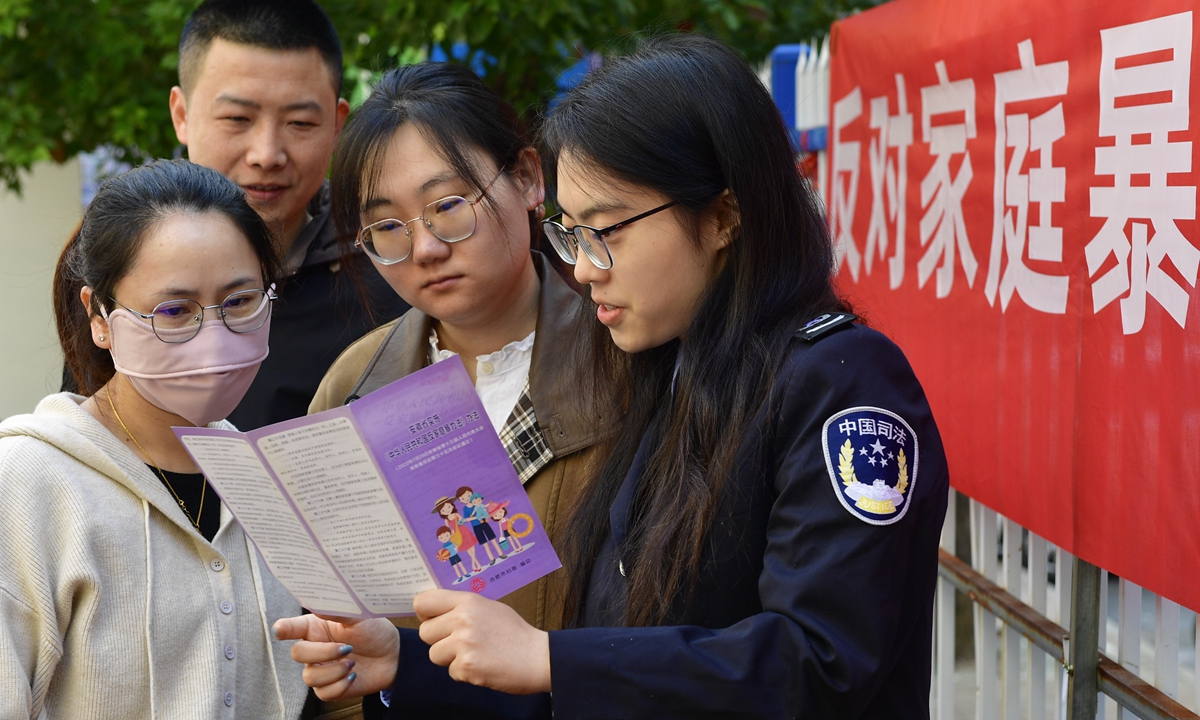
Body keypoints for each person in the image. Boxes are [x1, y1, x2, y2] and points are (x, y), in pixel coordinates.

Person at [275, 35, 951, 720]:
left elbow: (821, 663)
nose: (586, 266)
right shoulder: (668, 369)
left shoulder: (841, 383)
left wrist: (548, 658)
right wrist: (405, 664)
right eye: (572, 233)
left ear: (722, 215)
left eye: (607, 231)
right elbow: (613, 685)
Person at [301, 62, 605, 718]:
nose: (426, 248)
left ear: (527, 178)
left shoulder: (625, 359)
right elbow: (341, 639)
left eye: (447, 206)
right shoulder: (354, 387)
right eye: (387, 227)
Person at [0, 159, 306, 719]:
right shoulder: (25, 480)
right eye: (174, 311)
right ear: (99, 315)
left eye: (240, 302)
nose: (214, 340)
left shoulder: (267, 483)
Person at [165, 0, 409, 428]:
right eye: (237, 118)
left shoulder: (394, 273)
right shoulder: (127, 270)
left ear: (337, 126)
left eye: (299, 123)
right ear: (182, 115)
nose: (267, 155)